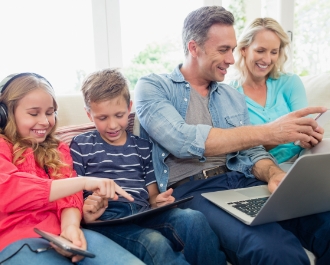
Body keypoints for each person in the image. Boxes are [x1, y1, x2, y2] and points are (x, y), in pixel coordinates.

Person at [134, 6, 330, 265]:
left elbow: (252, 151)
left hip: (242, 181)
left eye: (233, 49)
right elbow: (182, 141)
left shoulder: (232, 97)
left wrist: (275, 175)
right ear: (194, 48)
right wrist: (271, 131)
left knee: (325, 224)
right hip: (194, 191)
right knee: (273, 251)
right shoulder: (153, 87)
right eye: (223, 50)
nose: (231, 59)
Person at [70, 68, 225, 265]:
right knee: (155, 243)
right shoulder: (81, 145)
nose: (112, 125)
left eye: (119, 115)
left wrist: (158, 201)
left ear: (129, 108)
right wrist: (87, 209)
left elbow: (151, 196)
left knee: (194, 219)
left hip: (143, 213)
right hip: (107, 220)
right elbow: (75, 193)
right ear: (89, 114)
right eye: (102, 118)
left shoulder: (142, 146)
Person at [0, 72, 144, 265]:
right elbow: (8, 188)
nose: (44, 121)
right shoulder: (3, 144)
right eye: (34, 113)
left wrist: (70, 228)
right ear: (5, 114)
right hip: (17, 241)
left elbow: (70, 198)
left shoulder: (58, 149)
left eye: (49, 113)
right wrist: (82, 182)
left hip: (63, 235)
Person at [229, 17, 308, 163]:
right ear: (244, 50)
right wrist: (279, 135)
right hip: (259, 170)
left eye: (274, 52)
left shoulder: (290, 82)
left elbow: (305, 130)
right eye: (260, 51)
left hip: (301, 162)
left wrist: (309, 137)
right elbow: (238, 152)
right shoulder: (230, 93)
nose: (267, 59)